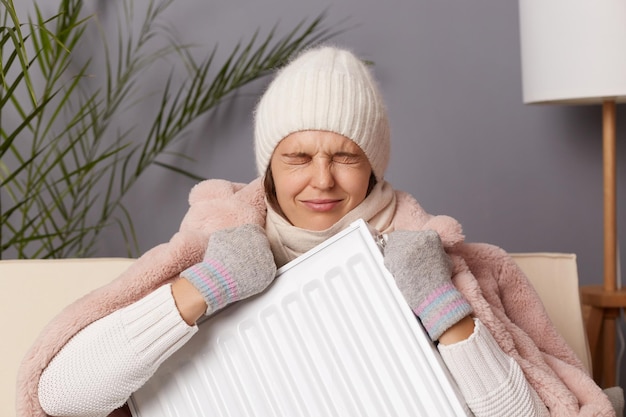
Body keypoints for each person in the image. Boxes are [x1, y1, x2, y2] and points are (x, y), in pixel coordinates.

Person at [17, 46, 621, 417]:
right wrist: (208, 285)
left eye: (346, 156)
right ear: (269, 166)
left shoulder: (435, 258)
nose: (323, 180)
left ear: (375, 162)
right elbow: (63, 397)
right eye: (299, 157)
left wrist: (442, 307)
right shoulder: (215, 245)